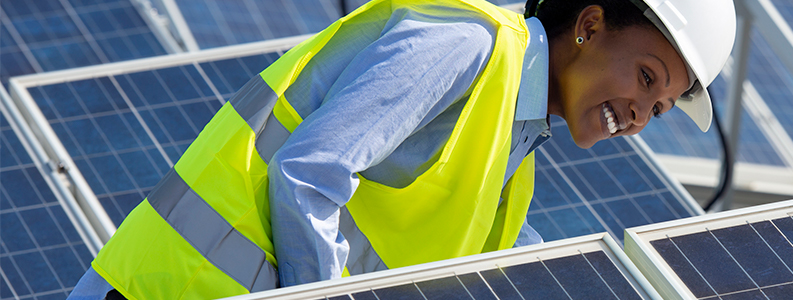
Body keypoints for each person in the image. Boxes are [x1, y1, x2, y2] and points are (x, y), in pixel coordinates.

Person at [67, 0, 734, 298]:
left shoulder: (515, 155)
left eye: (660, 106)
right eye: (646, 78)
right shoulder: (466, 47)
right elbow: (307, 175)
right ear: (589, 24)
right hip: (166, 290)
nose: (640, 116)